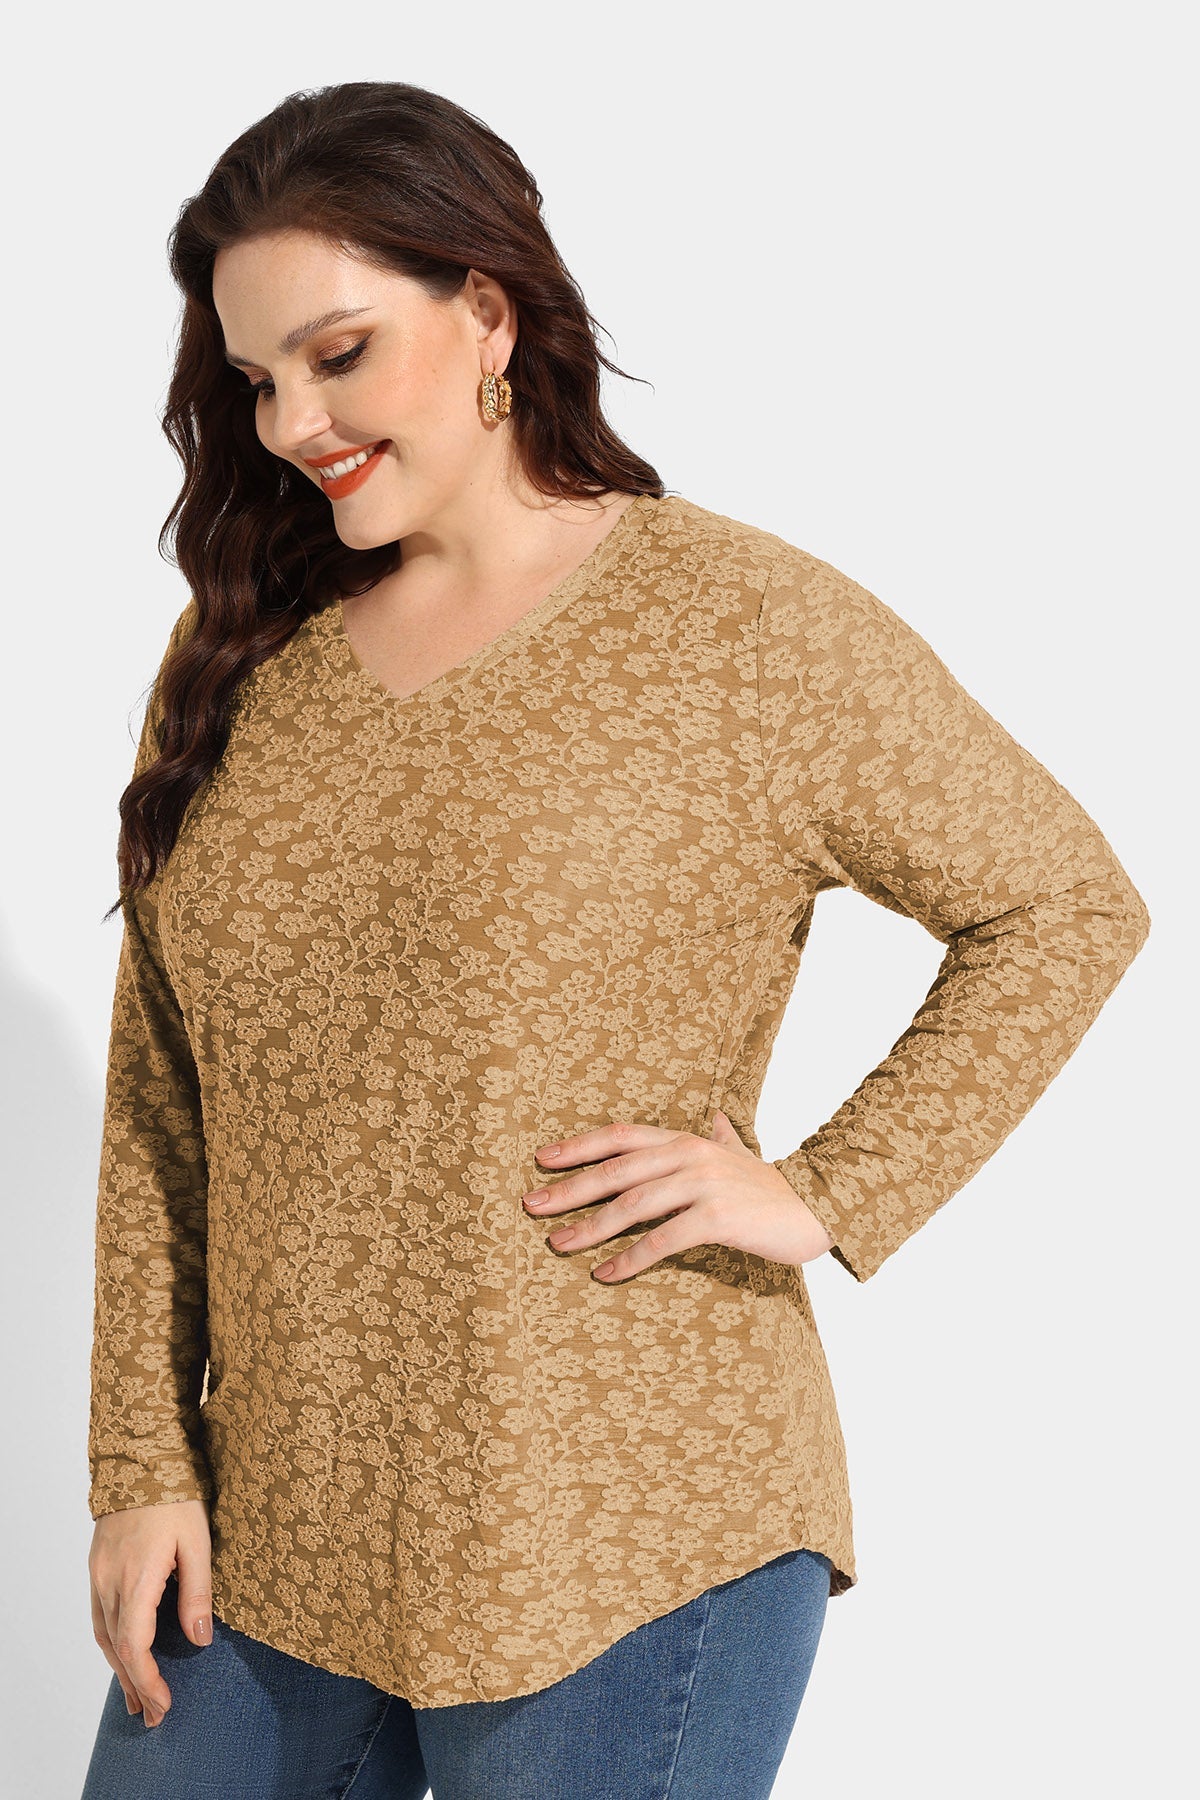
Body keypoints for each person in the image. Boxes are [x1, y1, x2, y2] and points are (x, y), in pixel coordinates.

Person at [80, 80, 1150, 1800]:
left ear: (489, 313)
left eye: (340, 356)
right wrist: (141, 1463)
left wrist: (827, 1190)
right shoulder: (239, 661)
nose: (292, 422)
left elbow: (1061, 904)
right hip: (276, 1525)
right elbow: (160, 1090)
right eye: (259, 379)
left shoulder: (737, 626)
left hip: (628, 1518)